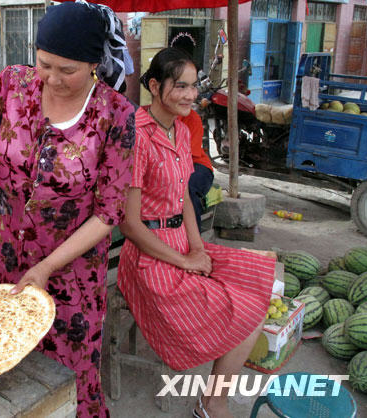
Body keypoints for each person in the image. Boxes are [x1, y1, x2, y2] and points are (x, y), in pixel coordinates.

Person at [0, 2, 134, 416]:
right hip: (10, 259)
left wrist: (47, 268)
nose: (53, 79)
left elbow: (109, 211)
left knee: (70, 374)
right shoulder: (11, 85)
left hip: (74, 274)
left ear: (95, 64)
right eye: (45, 64)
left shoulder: (115, 115)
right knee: (17, 366)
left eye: (69, 70)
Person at [117, 47, 275, 418]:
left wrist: (198, 248)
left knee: (262, 279)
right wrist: (185, 260)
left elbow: (184, 197)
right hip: (148, 259)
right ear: (155, 86)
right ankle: (213, 403)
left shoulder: (180, 128)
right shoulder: (137, 136)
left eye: (193, 86)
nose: (192, 95)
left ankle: (211, 397)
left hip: (182, 244)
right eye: (181, 86)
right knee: (247, 310)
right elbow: (130, 223)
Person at [181, 109, 214, 231]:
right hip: (167, 165)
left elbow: (187, 155)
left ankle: (194, 240)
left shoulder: (191, 118)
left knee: (187, 189)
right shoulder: (145, 114)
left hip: (196, 164)